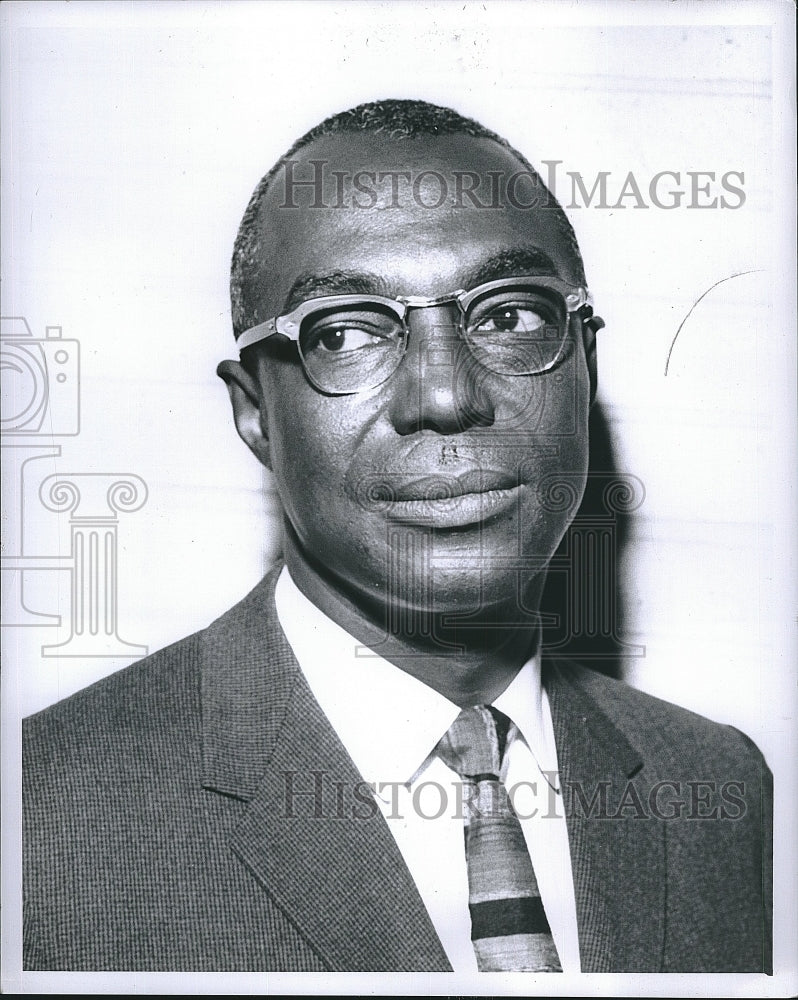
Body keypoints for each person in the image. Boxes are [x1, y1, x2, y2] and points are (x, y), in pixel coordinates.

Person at [23, 99, 771, 974]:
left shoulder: (724, 788)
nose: (445, 394)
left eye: (509, 315)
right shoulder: (39, 818)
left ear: (586, 365)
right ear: (255, 410)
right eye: (346, 332)